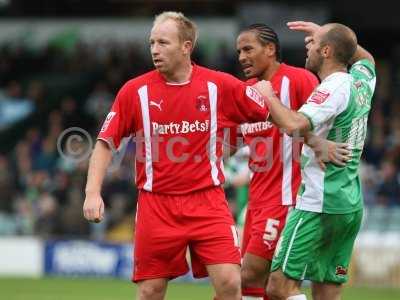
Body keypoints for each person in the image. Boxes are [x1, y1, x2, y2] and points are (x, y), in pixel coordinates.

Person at [83, 11, 273, 300]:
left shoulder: (218, 85)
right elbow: (105, 143)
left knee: (231, 284)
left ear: (186, 46)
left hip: (208, 201)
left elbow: (263, 112)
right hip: (156, 205)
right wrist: (92, 192)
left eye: (163, 42)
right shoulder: (135, 91)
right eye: (152, 43)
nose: (155, 50)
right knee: (150, 291)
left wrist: (267, 95)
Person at [256, 21, 376, 300]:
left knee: (278, 287)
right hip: (348, 204)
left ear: (326, 51)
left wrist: (268, 95)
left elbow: (294, 124)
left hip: (318, 203)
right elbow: (366, 58)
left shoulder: (333, 87)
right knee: (326, 293)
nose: (306, 47)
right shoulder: (362, 80)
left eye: (314, 42)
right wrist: (329, 31)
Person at [234, 24, 319, 300]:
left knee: (249, 274)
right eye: (239, 51)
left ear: (270, 49)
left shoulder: (299, 80)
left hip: (286, 200)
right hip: (256, 201)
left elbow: (319, 130)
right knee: (254, 286)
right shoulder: (244, 92)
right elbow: (231, 140)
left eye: (248, 49)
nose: (241, 57)